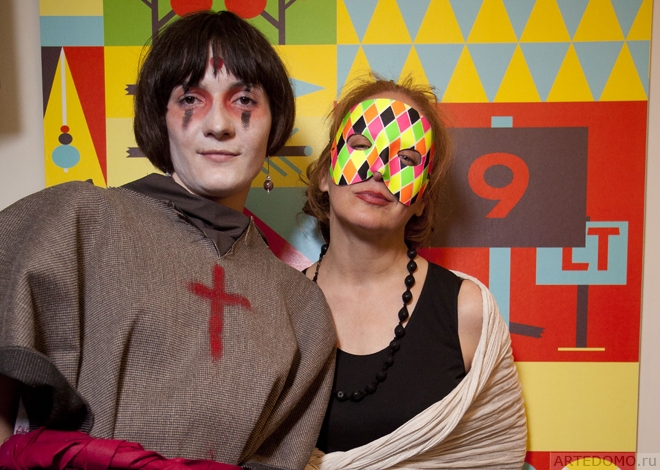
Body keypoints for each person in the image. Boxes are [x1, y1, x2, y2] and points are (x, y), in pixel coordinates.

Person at [0, 11, 336, 470]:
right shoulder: (78, 221)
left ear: (274, 122)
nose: (219, 124)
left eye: (244, 99)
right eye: (191, 98)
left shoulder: (303, 309)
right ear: (161, 117)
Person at [302, 76, 527, 469]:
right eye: (361, 145)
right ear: (325, 174)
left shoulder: (467, 311)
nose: (379, 171)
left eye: (405, 160)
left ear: (422, 198)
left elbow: (497, 455)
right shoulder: (277, 305)